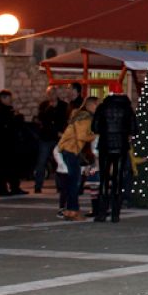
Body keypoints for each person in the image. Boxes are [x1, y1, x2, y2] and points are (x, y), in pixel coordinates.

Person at [91, 92, 137, 222]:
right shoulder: (127, 108)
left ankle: (101, 213)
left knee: (104, 179)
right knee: (118, 179)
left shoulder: (102, 107)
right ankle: (115, 214)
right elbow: (134, 129)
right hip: (121, 146)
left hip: (105, 145)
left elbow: (94, 127)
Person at [55, 96, 98, 220]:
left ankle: (69, 210)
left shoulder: (80, 116)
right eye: (96, 105)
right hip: (70, 149)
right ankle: (73, 211)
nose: (97, 108)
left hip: (68, 148)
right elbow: (82, 135)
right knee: (75, 182)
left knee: (71, 182)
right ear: (90, 105)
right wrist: (94, 135)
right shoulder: (86, 118)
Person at [0, 90, 26, 196]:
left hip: (12, 144)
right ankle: (3, 189)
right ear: (2, 99)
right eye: (9, 98)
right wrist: (15, 118)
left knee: (13, 167)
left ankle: (15, 187)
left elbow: (17, 125)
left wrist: (18, 117)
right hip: (3, 145)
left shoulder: (10, 110)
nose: (11, 100)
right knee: (3, 168)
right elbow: (4, 127)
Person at [34, 89, 70, 193]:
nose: (51, 95)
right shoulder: (44, 106)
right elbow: (43, 121)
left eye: (53, 93)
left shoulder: (63, 106)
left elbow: (65, 120)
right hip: (46, 137)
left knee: (60, 162)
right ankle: (38, 185)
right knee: (41, 162)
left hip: (59, 138)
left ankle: (60, 186)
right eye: (49, 94)